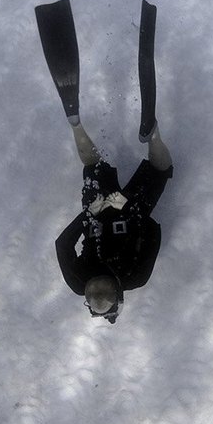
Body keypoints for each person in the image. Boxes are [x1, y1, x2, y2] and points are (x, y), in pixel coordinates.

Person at [55, 120, 173, 322]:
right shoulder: (80, 282)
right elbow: (63, 244)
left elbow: (153, 232)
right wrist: (90, 213)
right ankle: (76, 125)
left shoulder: (135, 277)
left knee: (160, 169)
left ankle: (153, 135)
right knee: (93, 166)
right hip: (103, 210)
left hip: (121, 210)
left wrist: (129, 209)